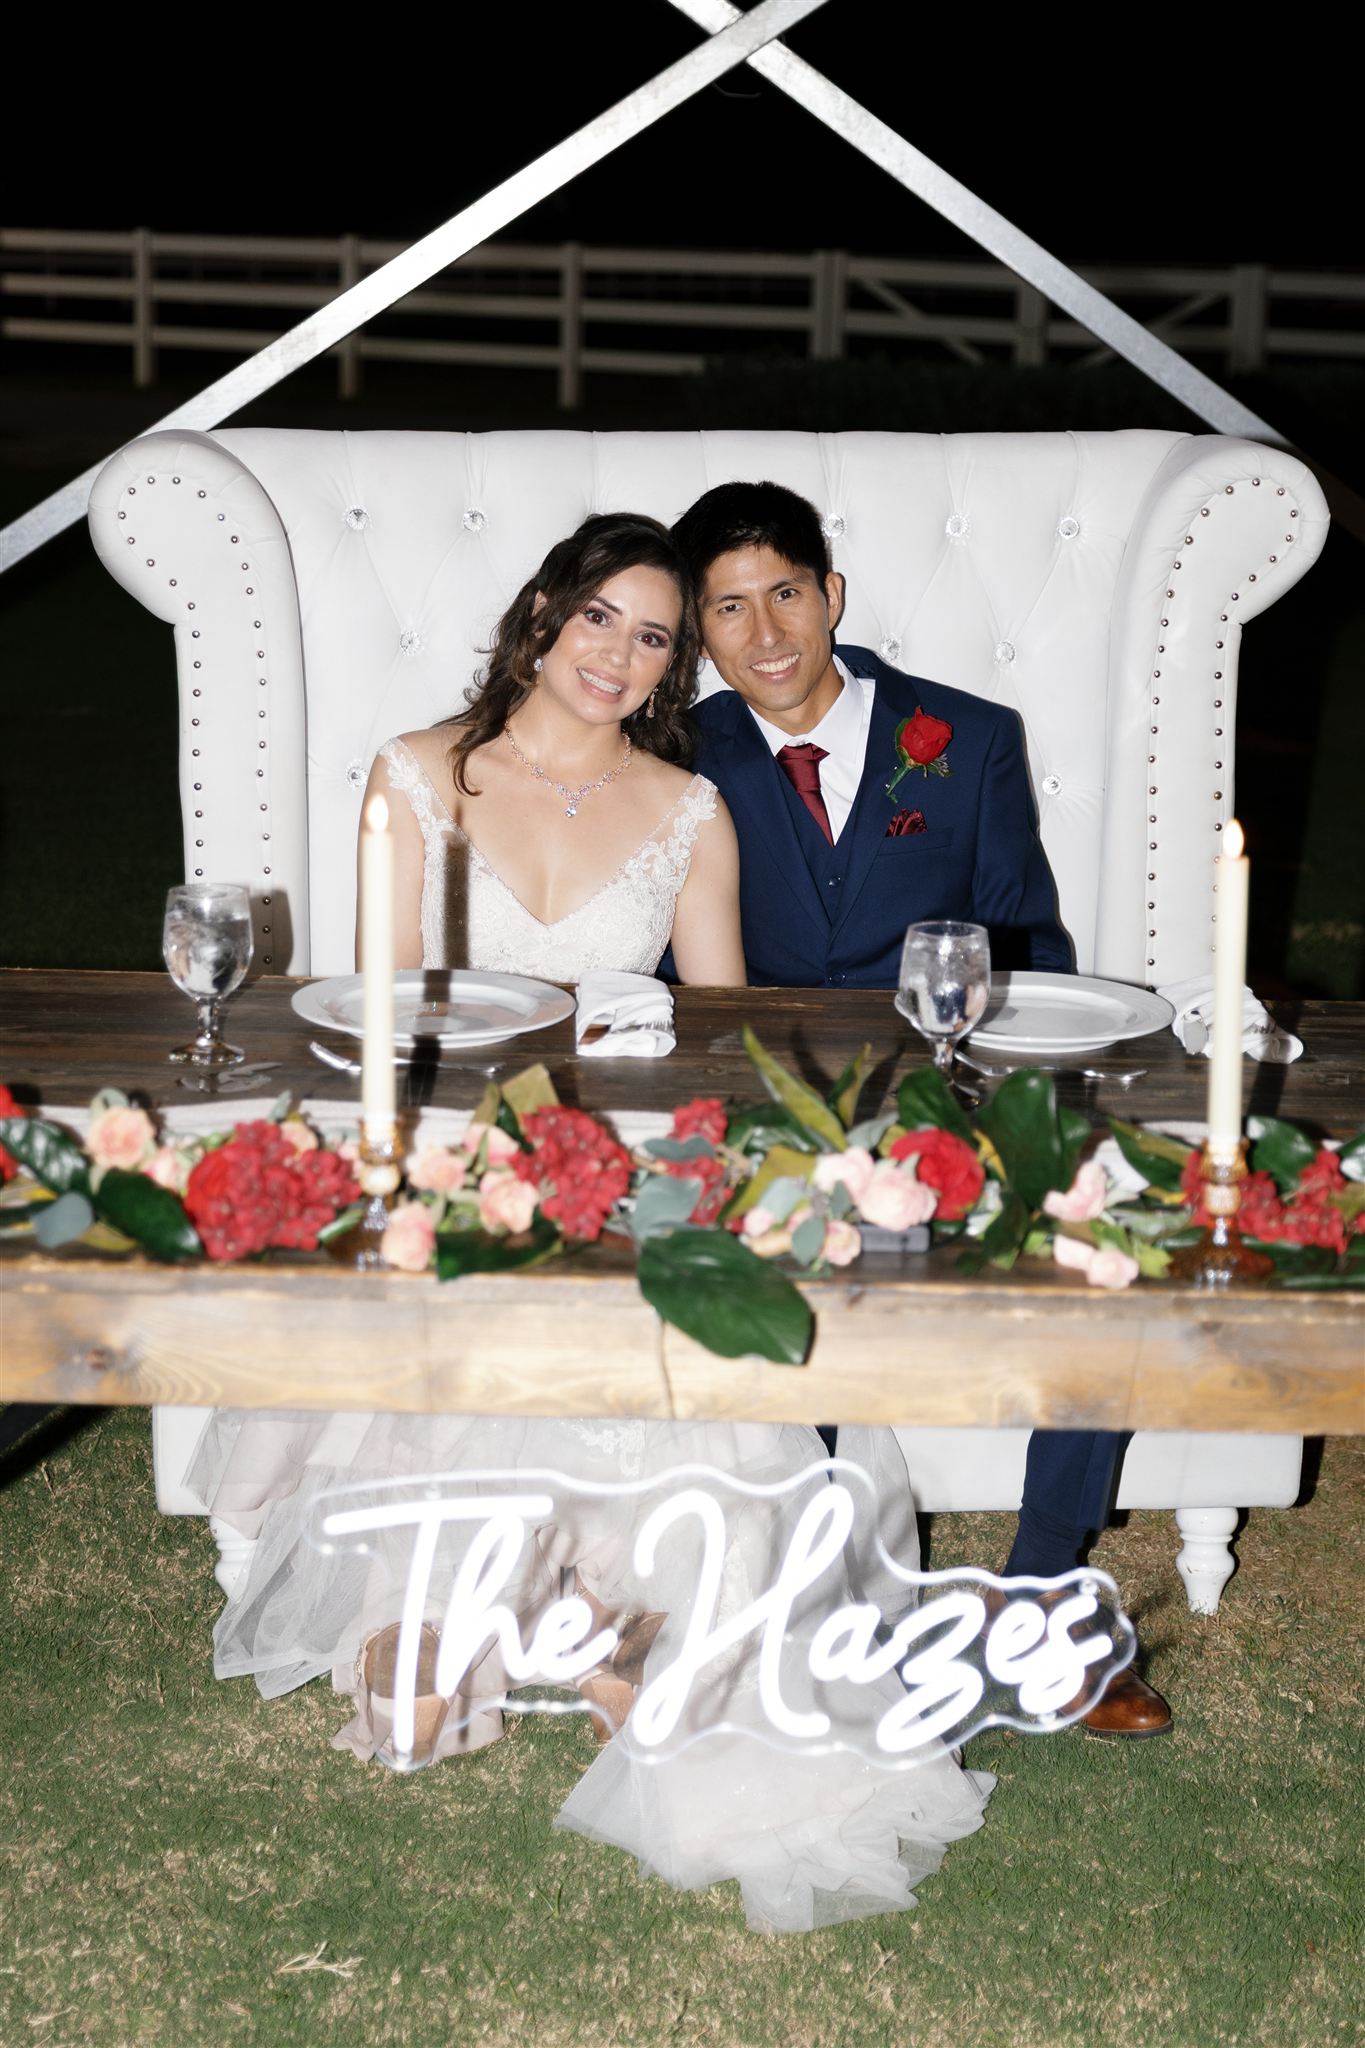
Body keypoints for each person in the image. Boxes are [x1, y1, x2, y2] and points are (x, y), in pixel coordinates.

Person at [186, 513, 994, 1933]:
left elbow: (719, 1035)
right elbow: (378, 1022)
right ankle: (520, 1602)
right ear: (544, 612)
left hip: (619, 1159)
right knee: (414, 1712)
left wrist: (678, 1165)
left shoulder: (688, 810)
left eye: (654, 637)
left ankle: (588, 1604)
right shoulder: (419, 774)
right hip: (442, 1149)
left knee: (633, 1325)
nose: (620, 655)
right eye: (601, 618)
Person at [670, 480, 1171, 1739]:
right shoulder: (682, 755)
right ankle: (842, 1591)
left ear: (832, 593)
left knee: (1104, 1247)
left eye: (785, 591)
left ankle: (1045, 1592)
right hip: (778, 1104)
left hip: (965, 1084)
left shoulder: (967, 734)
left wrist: (1011, 1103)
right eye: (728, 607)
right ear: (702, 630)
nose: (765, 631)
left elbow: (1029, 940)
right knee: (791, 1247)